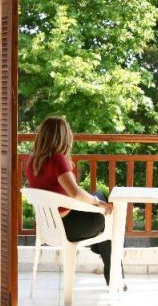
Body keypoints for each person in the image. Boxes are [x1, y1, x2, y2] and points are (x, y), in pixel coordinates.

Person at [25, 116, 124, 288]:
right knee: (111, 217)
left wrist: (97, 200)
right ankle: (114, 277)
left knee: (100, 196)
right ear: (63, 137)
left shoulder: (31, 160)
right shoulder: (57, 159)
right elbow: (75, 193)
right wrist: (97, 202)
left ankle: (107, 262)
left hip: (48, 226)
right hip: (69, 226)